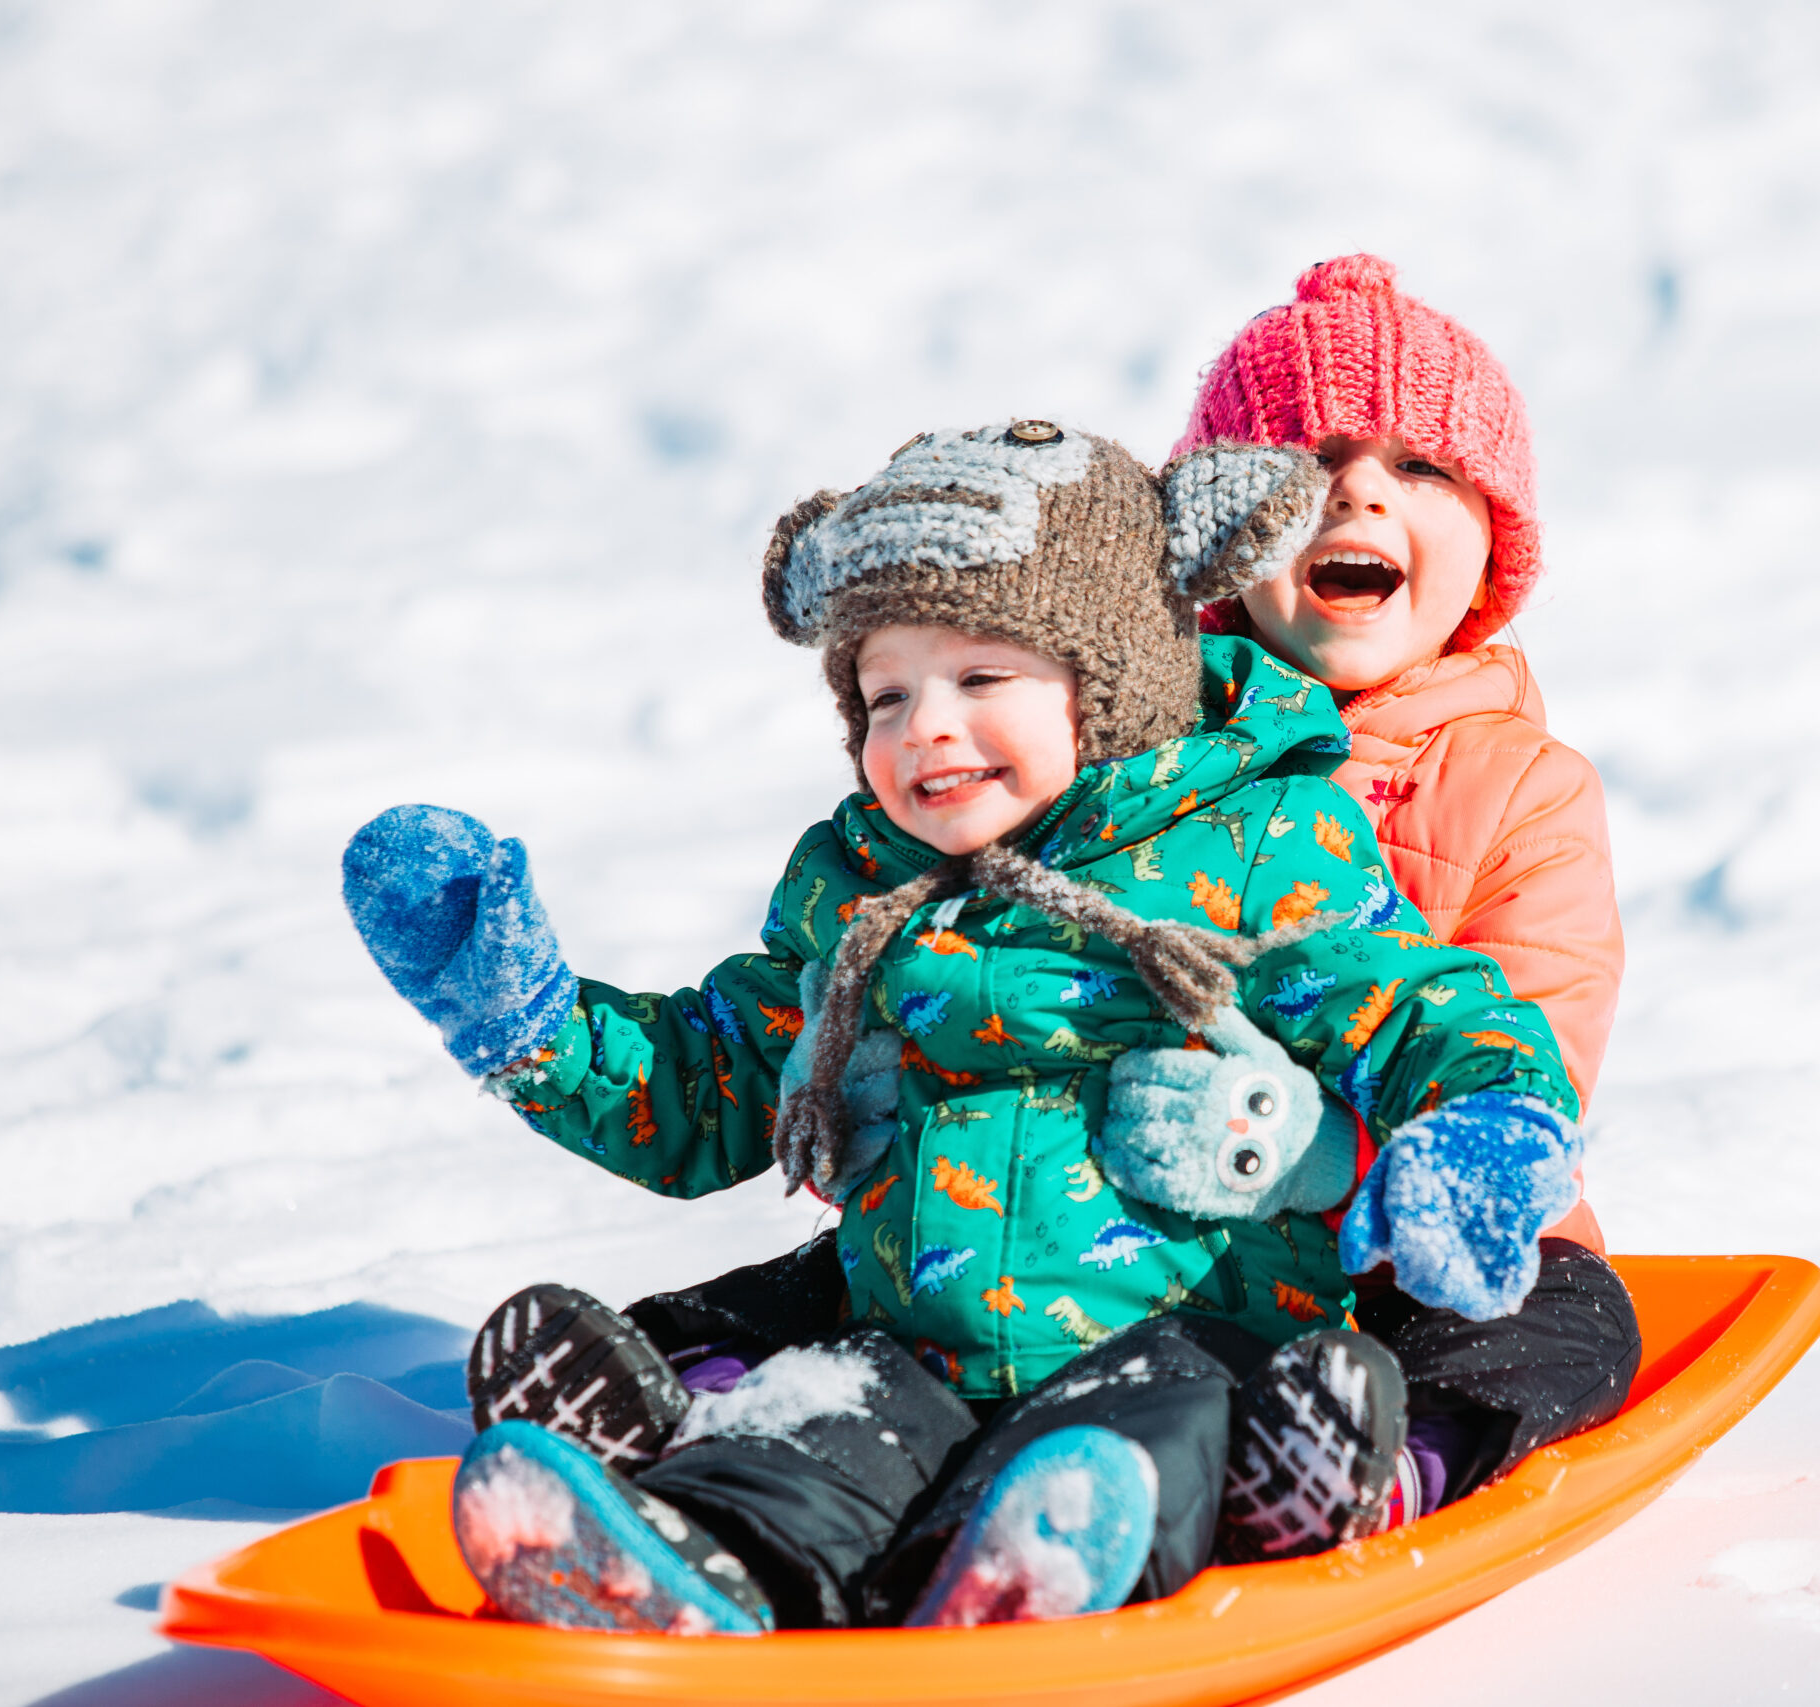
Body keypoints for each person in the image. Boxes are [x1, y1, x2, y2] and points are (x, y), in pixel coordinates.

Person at [340, 421, 1585, 1633]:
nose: (923, 726)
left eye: (982, 678)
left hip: (1186, 1333)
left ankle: (1042, 1562)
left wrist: (1481, 1126)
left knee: (1137, 1434)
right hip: (914, 1344)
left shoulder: (1258, 846)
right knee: (818, 1427)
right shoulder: (863, 893)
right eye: (884, 695)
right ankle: (693, 1557)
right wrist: (524, 1022)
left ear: (1114, 689)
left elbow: (1417, 1000)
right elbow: (714, 1083)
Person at [1148, 252, 1641, 1532]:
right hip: (1152, 1227)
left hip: (1416, 1244)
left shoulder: (1518, 784)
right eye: (1301, 468)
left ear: (1487, 562)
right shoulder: (1128, 764)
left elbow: (1533, 1037)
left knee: (1564, 1318)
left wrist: (1360, 1163)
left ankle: (1372, 1467)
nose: (1357, 487)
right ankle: (687, 1395)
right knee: (906, 1259)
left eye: (1419, 469)